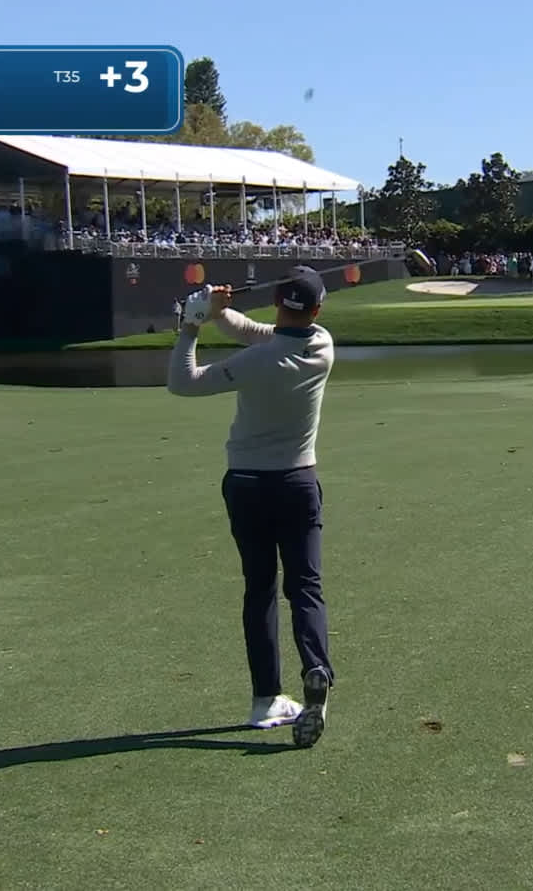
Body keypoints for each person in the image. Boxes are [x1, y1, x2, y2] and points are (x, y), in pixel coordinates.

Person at [166, 266, 336, 748]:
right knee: (306, 586)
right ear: (317, 310)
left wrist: (192, 326)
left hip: (245, 484)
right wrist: (221, 312)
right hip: (299, 482)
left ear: (277, 301)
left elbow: (184, 381)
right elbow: (261, 332)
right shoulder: (322, 344)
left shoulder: (255, 363)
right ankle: (316, 668)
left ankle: (265, 701)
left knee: (259, 588)